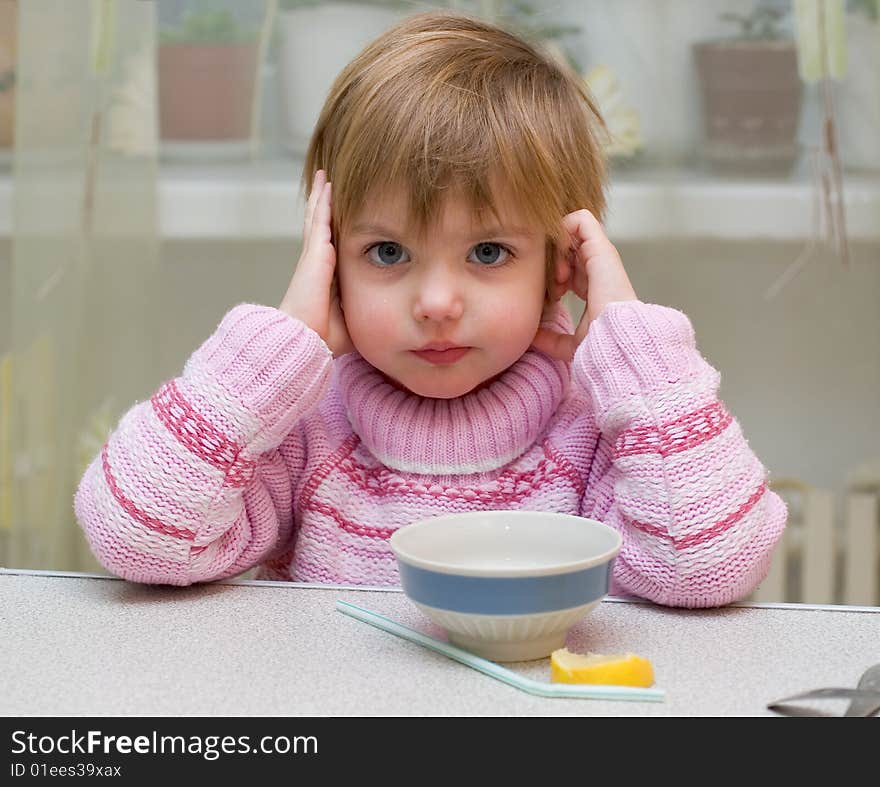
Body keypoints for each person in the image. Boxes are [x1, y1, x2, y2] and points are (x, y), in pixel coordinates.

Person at [74, 9, 786, 607]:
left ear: (558, 267)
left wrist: (637, 351)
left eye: (487, 254)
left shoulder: (598, 437)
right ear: (330, 261)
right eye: (387, 253)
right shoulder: (307, 432)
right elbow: (135, 534)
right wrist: (282, 341)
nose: (438, 303)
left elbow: (708, 565)